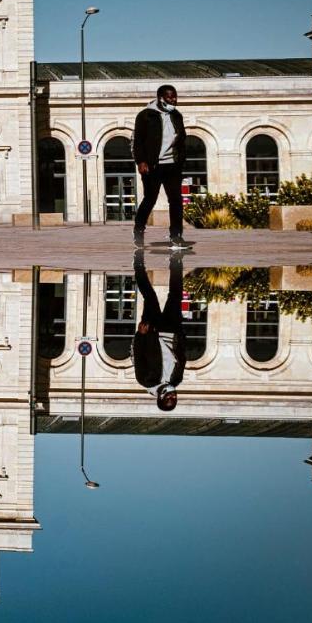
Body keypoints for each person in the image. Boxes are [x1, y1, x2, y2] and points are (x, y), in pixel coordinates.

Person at [132, 84, 190, 250]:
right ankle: (138, 230)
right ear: (160, 98)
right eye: (170, 97)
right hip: (153, 166)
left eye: (175, 97)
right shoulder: (145, 115)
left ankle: (176, 236)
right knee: (150, 199)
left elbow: (182, 137)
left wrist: (181, 160)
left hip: (173, 165)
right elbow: (138, 141)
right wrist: (141, 161)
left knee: (176, 200)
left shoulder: (176, 115)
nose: (173, 100)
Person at [131, 250, 186, 412]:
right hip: (171, 331)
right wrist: (181, 338)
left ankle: (138, 264)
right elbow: (182, 358)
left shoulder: (146, 380)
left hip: (152, 332)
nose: (172, 396)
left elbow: (138, 356)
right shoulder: (176, 380)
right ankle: (176, 259)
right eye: (174, 399)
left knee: (150, 296)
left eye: (169, 399)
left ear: (160, 398)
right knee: (176, 295)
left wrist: (140, 335)